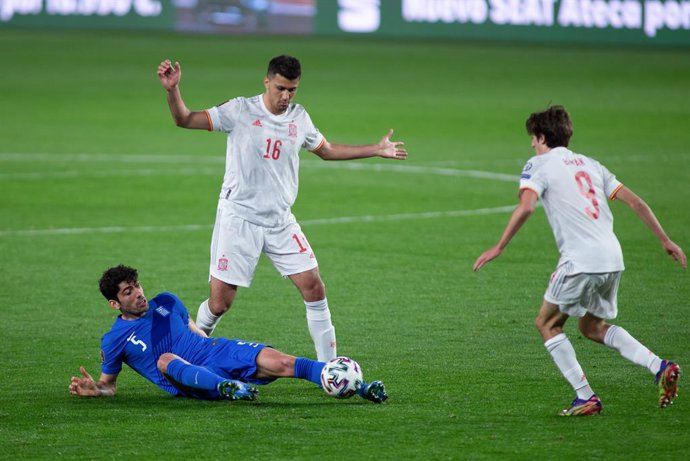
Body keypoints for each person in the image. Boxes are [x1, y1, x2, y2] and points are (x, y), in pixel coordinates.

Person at [156, 55, 407, 362]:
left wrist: (376, 149)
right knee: (220, 303)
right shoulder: (239, 110)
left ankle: (328, 368)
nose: (286, 96)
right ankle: (193, 348)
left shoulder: (299, 118)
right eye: (281, 88)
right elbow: (184, 119)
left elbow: (326, 151)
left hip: (280, 221)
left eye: (293, 90)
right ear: (267, 82)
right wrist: (173, 90)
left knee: (314, 286)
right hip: (239, 218)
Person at [472, 105, 686, 416]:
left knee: (546, 323)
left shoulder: (538, 164)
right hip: (612, 257)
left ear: (542, 137)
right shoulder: (592, 165)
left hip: (581, 260)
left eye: (533, 138)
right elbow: (636, 202)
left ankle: (585, 396)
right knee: (591, 326)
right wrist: (665, 240)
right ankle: (660, 366)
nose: (531, 144)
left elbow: (527, 207)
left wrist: (499, 246)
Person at [69, 265, 388, 403]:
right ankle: (225, 387)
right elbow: (109, 385)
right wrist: (95, 390)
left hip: (212, 352)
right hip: (188, 379)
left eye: (136, 285)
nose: (138, 293)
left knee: (279, 361)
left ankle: (359, 388)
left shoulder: (166, 301)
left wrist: (222, 350)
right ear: (114, 303)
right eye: (128, 292)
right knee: (166, 358)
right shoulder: (113, 340)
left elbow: (196, 331)